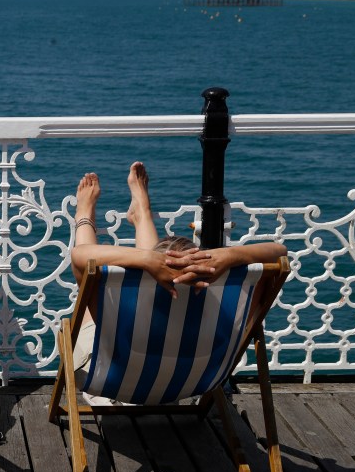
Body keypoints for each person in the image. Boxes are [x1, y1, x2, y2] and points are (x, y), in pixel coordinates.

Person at [70, 161, 287, 403]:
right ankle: (141, 213)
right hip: (196, 382)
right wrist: (228, 255)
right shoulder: (223, 302)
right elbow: (280, 251)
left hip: (112, 382)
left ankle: (85, 216)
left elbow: (81, 255)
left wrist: (147, 259)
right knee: (155, 292)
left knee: (92, 296)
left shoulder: (127, 308)